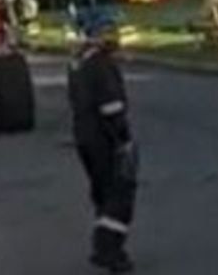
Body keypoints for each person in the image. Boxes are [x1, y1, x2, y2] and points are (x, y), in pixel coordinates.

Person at [68, 17, 139, 273]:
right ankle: (108, 249)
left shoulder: (78, 63)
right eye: (109, 33)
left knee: (102, 192)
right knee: (119, 193)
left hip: (84, 137)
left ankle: (106, 245)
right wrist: (124, 139)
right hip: (104, 138)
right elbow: (111, 106)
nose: (115, 38)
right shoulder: (100, 64)